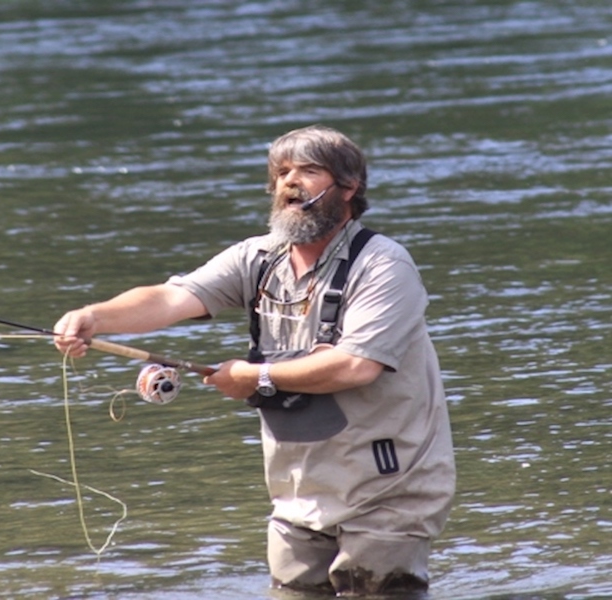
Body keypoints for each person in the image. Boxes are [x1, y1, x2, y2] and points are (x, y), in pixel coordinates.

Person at [53, 125, 455, 596]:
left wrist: (255, 376)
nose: (290, 182)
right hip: (298, 493)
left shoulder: (384, 265)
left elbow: (355, 366)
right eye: (282, 172)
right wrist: (95, 317)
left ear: (349, 187)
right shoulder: (257, 258)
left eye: (308, 170)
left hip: (389, 489)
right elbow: (170, 298)